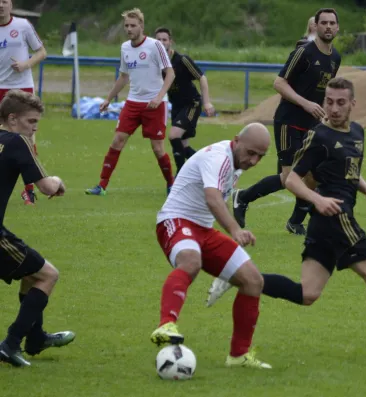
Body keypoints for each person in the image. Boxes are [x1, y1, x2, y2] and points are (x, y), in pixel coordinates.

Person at [207, 78, 366, 361]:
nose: (333, 108)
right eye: (329, 102)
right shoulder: (319, 136)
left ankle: (238, 278)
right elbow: (291, 179)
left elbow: (350, 170)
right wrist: (317, 199)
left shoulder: (357, 132)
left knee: (308, 293)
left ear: (352, 104)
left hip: (324, 224)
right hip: (335, 216)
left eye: (340, 102)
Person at [151, 123, 272, 369]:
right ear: (236, 140)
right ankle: (166, 324)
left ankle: (238, 356)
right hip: (175, 220)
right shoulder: (219, 158)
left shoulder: (235, 162)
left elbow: (216, 202)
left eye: (261, 156)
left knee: (253, 281)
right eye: (251, 153)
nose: (254, 161)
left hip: (203, 230)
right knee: (191, 261)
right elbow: (213, 199)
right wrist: (235, 229)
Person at [232, 8, 342, 236]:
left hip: (313, 122)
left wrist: (326, 111)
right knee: (288, 177)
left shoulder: (335, 58)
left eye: (332, 23)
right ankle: (242, 197)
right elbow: (279, 83)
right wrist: (305, 103)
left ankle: (295, 222)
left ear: (338, 27)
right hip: (289, 120)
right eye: (324, 23)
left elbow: (323, 89)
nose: (328, 27)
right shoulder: (303, 53)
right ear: (316, 26)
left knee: (311, 174)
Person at [0, 90, 75, 367]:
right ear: (12, 119)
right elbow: (46, 187)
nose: (34, 128)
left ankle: (35, 339)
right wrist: (58, 180)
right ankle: (10, 344)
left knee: (31, 274)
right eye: (31, 121)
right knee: (48, 275)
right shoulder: (18, 142)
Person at [85, 8, 175, 196]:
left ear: (141, 26)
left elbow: (170, 74)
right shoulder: (125, 47)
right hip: (133, 102)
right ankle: (101, 186)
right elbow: (123, 77)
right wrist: (108, 99)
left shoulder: (155, 46)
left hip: (155, 104)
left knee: (158, 149)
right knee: (117, 140)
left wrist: (158, 97)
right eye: (126, 25)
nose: (129, 29)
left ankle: (171, 185)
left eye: (133, 25)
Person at [0, 0, 47, 205]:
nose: (0, 5)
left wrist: (25, 64)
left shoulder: (22, 25)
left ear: (11, 5)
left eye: (4, 1)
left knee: (27, 138)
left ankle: (29, 190)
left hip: (22, 88)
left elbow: (42, 52)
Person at [154, 27, 215, 175]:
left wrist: (206, 102)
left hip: (191, 104)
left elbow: (202, 77)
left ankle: (180, 176)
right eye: (158, 40)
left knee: (174, 135)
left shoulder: (182, 60)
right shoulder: (155, 63)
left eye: (164, 39)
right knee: (182, 145)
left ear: (171, 42)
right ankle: (210, 168)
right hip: (176, 107)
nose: (161, 43)